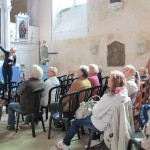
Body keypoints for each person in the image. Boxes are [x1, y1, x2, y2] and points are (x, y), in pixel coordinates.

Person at [57, 70, 129, 150]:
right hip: (113, 121)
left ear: (114, 82)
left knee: (76, 121)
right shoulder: (123, 94)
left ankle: (65, 143)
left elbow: (96, 114)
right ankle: (94, 140)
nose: (108, 79)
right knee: (88, 115)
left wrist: (95, 106)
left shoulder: (110, 96)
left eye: (110, 78)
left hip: (103, 123)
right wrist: (98, 105)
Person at [7, 65, 45, 130]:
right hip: (37, 108)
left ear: (33, 74)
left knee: (10, 105)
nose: (29, 72)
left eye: (31, 71)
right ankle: (28, 121)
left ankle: (11, 125)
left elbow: (18, 92)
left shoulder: (27, 83)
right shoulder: (42, 82)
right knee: (29, 102)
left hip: (26, 109)